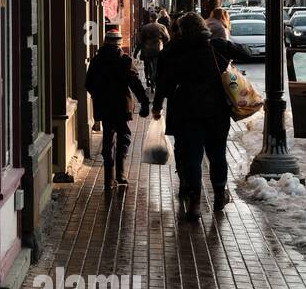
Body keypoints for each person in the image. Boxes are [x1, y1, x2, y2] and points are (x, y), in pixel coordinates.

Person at [152, 12, 250, 219]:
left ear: (181, 29)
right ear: (202, 27)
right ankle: (218, 196)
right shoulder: (216, 46)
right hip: (217, 112)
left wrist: (157, 106)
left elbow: (164, 85)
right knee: (217, 155)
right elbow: (246, 53)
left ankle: (195, 203)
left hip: (187, 112)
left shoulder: (174, 50)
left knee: (193, 157)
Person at [85, 27, 150, 193]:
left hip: (104, 106)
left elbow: (88, 84)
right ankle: (120, 175)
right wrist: (144, 103)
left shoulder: (96, 61)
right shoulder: (125, 61)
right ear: (119, 44)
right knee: (124, 137)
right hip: (121, 106)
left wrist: (99, 95)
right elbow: (135, 85)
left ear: (106, 43)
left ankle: (108, 179)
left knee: (108, 138)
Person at [136, 12, 170, 88]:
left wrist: (136, 52)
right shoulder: (162, 27)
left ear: (151, 18)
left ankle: (147, 78)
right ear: (157, 18)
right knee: (156, 66)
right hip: (158, 50)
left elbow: (140, 41)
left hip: (146, 50)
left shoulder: (145, 27)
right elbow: (167, 39)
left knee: (147, 65)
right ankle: (153, 80)